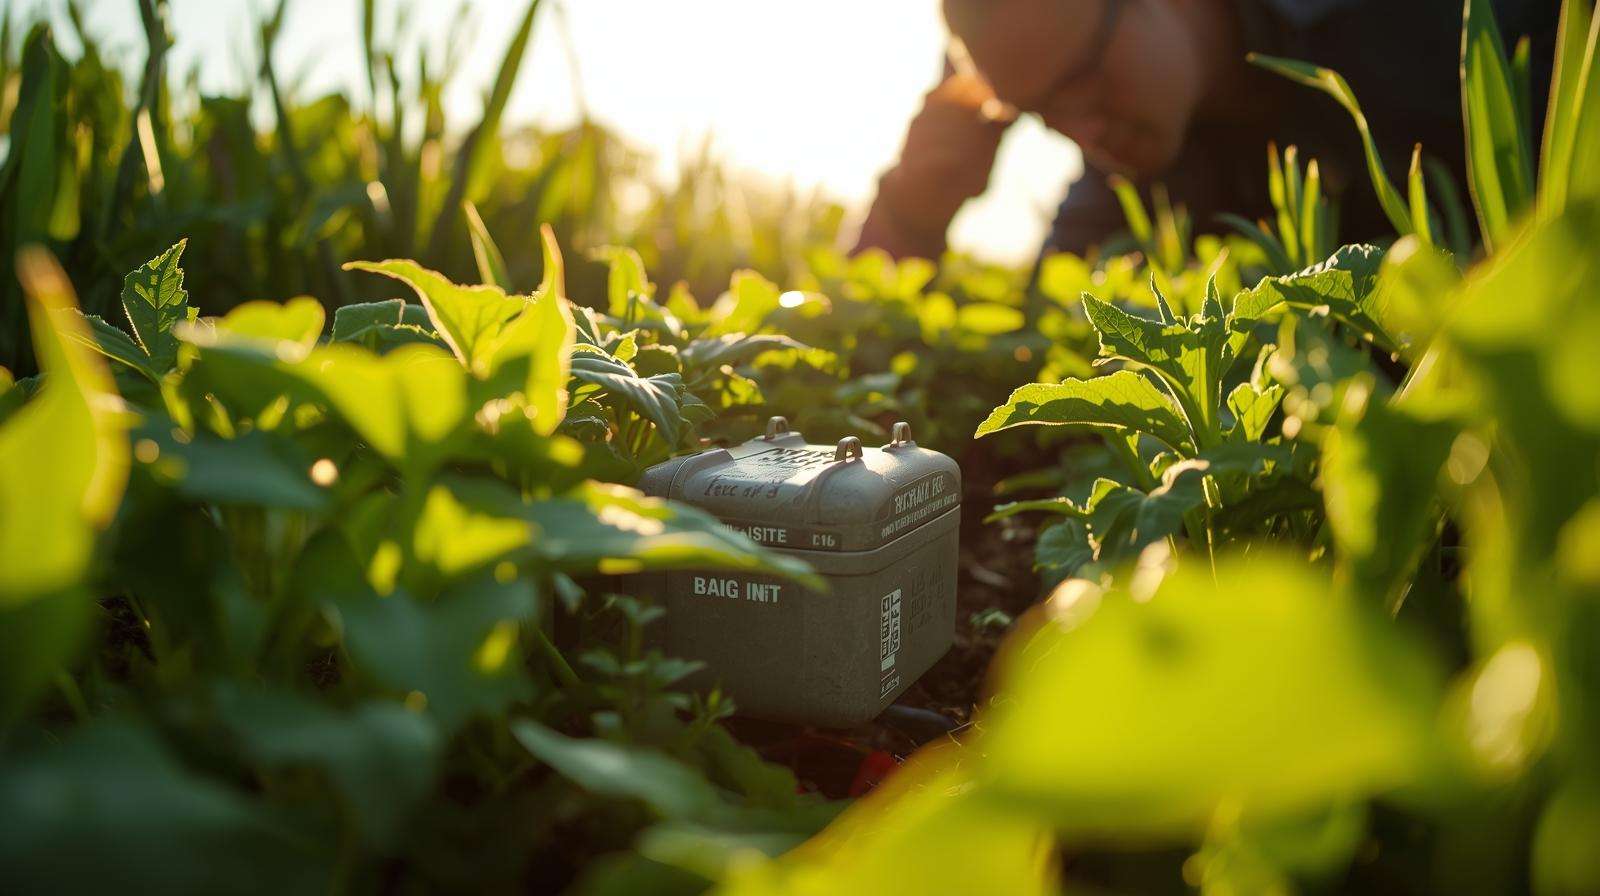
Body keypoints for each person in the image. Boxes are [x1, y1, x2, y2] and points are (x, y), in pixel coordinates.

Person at [856, 0, 1562, 261]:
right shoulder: (1132, 183)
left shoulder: (1438, 30)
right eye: (1041, 114)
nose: (1083, 132)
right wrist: (912, 211)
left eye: (1082, 79)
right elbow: (1039, 354)